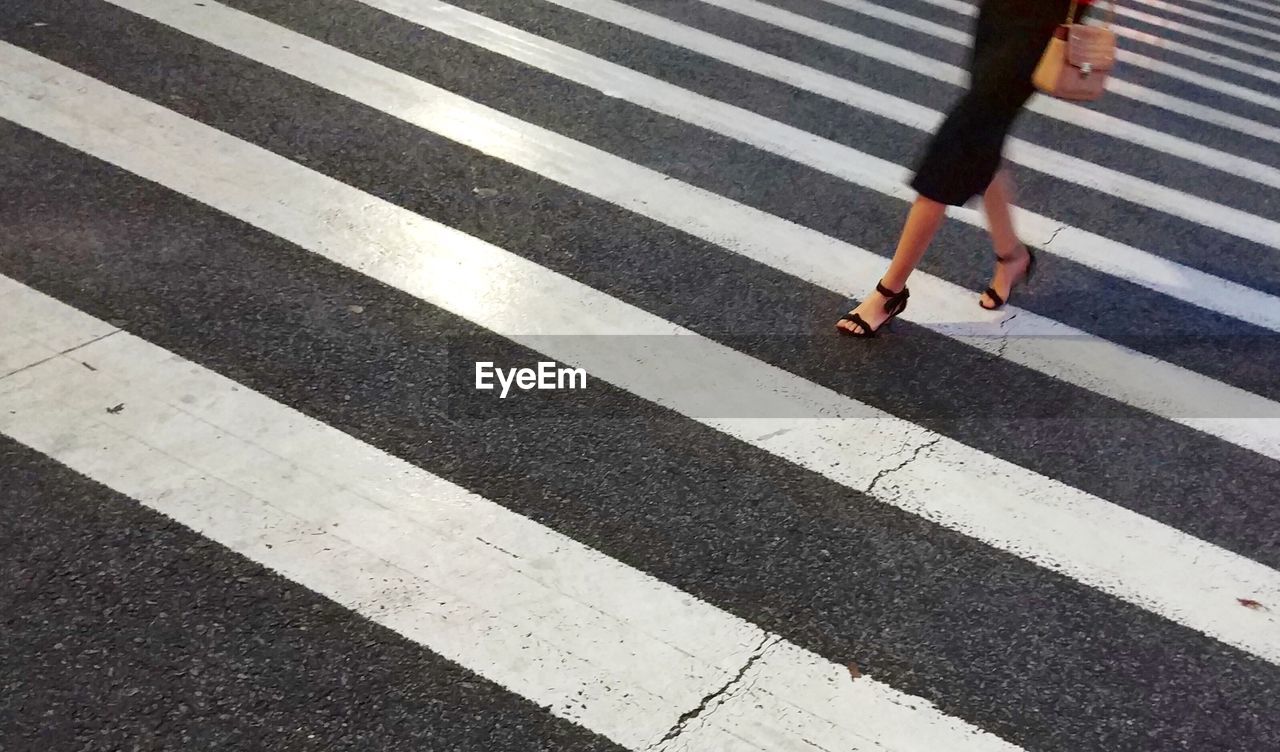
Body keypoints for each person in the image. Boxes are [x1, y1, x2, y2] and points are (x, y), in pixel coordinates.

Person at [837, 0, 1094, 336]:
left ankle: (890, 292)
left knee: (961, 138)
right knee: (982, 135)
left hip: (1043, 20)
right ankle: (1012, 256)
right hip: (1000, 12)